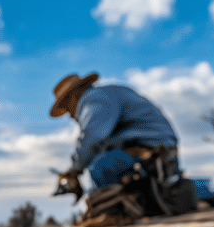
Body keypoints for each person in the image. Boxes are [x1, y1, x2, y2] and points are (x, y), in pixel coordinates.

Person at [50, 72, 180, 202]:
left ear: (74, 96)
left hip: (152, 153)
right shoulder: (107, 95)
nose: (70, 115)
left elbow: (92, 137)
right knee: (103, 163)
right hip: (161, 152)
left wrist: (75, 169)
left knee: (102, 166)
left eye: (67, 108)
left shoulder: (94, 99)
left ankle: (115, 211)